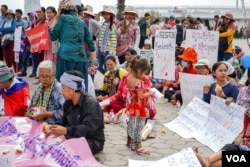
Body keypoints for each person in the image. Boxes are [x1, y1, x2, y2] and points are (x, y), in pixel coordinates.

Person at [43, 70, 105, 154]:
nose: (62, 91)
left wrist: (67, 131)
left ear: (72, 89)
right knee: (47, 145)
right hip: (74, 137)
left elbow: (89, 128)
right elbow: (63, 123)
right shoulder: (68, 103)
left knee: (64, 150)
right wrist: (51, 128)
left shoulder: (90, 103)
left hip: (92, 140)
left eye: (63, 88)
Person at [50, 0, 97, 92]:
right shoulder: (82, 22)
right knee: (81, 88)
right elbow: (91, 44)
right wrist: (94, 63)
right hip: (81, 60)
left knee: (63, 87)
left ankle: (65, 106)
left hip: (65, 58)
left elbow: (53, 36)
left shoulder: (63, 19)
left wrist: (56, 18)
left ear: (62, 11)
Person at [126, 57, 154, 155]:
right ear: (138, 70)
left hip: (132, 105)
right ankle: (139, 147)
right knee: (138, 127)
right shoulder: (139, 82)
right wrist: (150, 93)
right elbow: (141, 96)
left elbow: (134, 92)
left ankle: (130, 142)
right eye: (143, 73)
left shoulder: (129, 78)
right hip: (139, 107)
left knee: (131, 124)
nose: (143, 76)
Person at [97, 6, 117, 74]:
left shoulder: (112, 26)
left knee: (107, 67)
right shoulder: (102, 24)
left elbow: (114, 39)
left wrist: (112, 51)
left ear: (110, 15)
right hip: (101, 50)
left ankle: (109, 79)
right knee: (99, 66)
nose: (105, 16)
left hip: (108, 50)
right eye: (104, 14)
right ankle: (107, 75)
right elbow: (100, 36)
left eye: (107, 14)